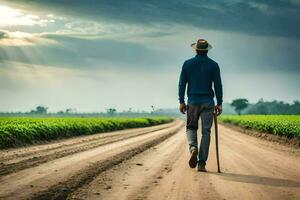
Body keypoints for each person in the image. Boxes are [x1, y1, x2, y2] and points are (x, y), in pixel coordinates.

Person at [178, 39, 223, 172]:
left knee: (191, 128)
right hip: (208, 102)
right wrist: (219, 103)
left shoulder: (187, 64)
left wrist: (181, 101)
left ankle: (193, 148)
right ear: (207, 50)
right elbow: (218, 85)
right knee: (206, 132)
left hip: (192, 101)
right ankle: (201, 163)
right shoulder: (214, 65)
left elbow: (182, 84)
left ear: (196, 49)